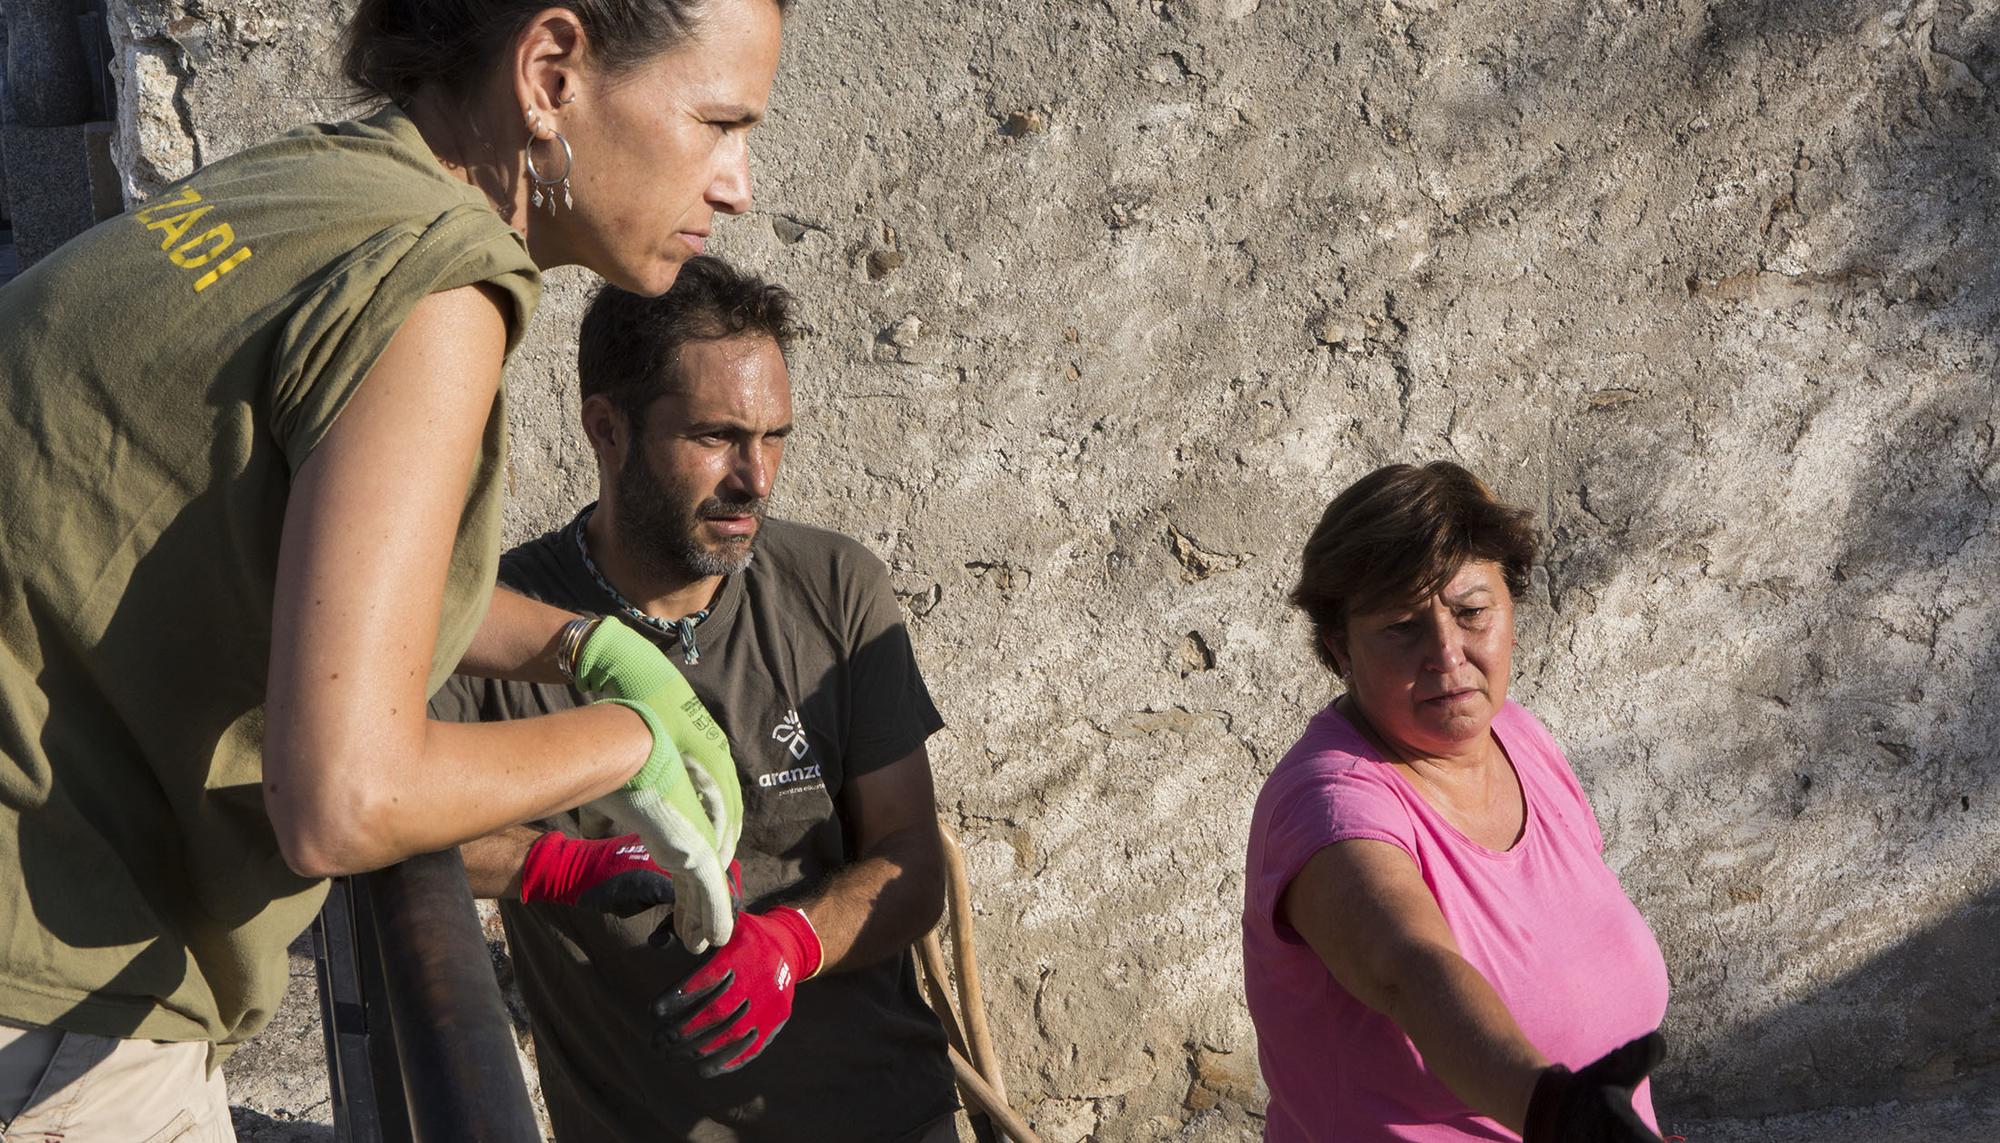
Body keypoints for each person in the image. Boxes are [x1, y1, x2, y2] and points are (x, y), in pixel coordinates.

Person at [0, 0, 787, 1133]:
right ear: (551, 72)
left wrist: (581, 645)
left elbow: (330, 566)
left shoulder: (324, 190)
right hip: (46, 982)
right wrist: (634, 743)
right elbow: (346, 799)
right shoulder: (433, 293)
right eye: (717, 121)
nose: (736, 183)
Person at [431, 256, 960, 1143]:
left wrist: (792, 943)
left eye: (775, 435)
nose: (756, 477)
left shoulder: (834, 587)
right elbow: (385, 813)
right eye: (717, 437)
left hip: (885, 1115)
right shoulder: (499, 621)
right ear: (607, 428)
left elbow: (912, 860)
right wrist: (553, 865)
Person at [1242, 461, 1671, 1142]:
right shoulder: (1326, 804)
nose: (1447, 653)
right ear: (1339, 649)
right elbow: (1409, 968)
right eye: (1403, 627)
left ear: (1511, 608)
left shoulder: (1521, 740)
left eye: (1472, 611)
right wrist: (1557, 1113)